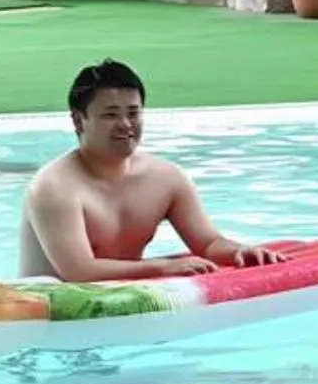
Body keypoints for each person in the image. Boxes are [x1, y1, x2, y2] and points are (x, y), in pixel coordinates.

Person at [18, 60, 286, 281]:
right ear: (79, 120)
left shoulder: (166, 178)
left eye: (133, 113)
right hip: (47, 316)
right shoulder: (54, 187)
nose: (125, 124)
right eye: (110, 115)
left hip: (120, 304)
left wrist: (239, 251)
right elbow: (79, 271)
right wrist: (162, 268)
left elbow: (207, 243)